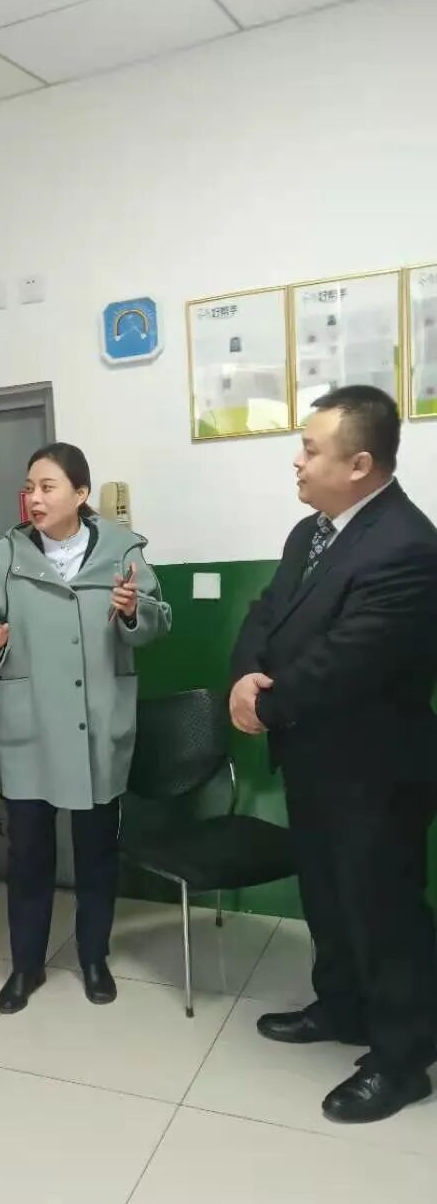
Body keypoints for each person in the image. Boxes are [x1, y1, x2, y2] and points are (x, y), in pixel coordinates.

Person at [230, 385, 437, 1124]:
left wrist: (264, 704)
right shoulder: (310, 533)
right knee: (327, 896)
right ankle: (342, 1006)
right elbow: (264, 615)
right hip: (313, 760)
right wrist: (242, 678)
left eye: (311, 448)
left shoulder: (407, 545)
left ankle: (403, 1059)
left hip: (376, 770)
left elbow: (348, 660)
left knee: (383, 910)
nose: (297, 459)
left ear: (359, 463)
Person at [0, 443, 171, 1014]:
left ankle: (93, 958)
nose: (34, 498)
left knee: (97, 852)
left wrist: (131, 612)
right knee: (28, 855)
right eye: (29, 487)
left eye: (48, 487)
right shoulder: (6, 554)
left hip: (95, 724)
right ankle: (25, 965)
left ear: (80, 494)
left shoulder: (122, 551)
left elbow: (156, 622)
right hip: (31, 726)